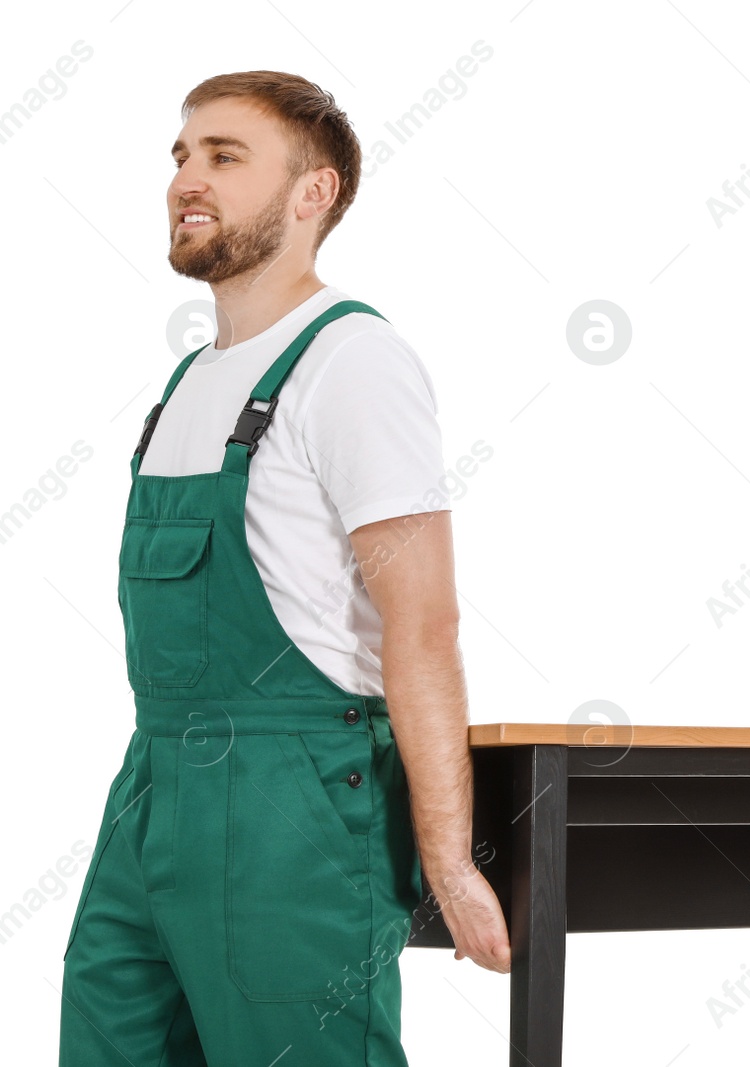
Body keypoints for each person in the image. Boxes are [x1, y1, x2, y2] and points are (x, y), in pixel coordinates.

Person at [58, 71, 510, 1066]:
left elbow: (423, 621)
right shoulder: (189, 380)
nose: (188, 178)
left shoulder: (351, 363)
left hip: (290, 801)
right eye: (181, 155)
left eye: (224, 156)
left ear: (314, 194)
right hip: (152, 785)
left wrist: (447, 853)